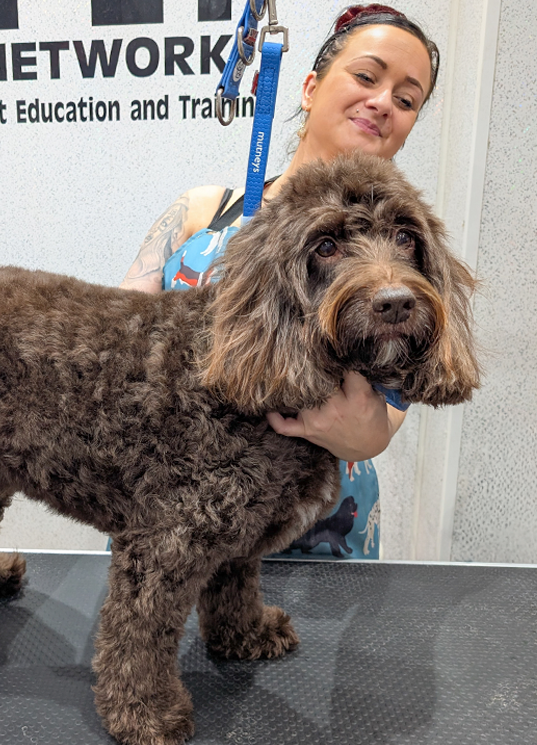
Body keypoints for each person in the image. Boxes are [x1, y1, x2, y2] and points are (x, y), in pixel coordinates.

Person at [120, 4, 440, 559]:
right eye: (367, 76)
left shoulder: (408, 250)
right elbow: (115, 349)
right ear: (310, 88)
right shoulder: (203, 213)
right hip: (173, 517)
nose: (383, 102)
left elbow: (372, 430)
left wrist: (356, 430)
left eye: (407, 99)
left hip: (316, 532)